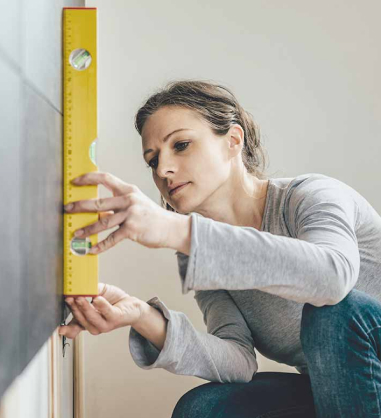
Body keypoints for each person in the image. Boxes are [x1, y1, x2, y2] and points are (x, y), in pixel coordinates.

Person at [58, 80, 381, 418]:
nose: (164, 170)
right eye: (152, 160)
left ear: (233, 141)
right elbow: (238, 361)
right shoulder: (199, 250)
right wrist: (142, 316)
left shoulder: (311, 196)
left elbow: (333, 277)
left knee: (332, 311)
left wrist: (178, 229)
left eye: (181, 145)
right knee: (204, 409)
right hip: (344, 397)